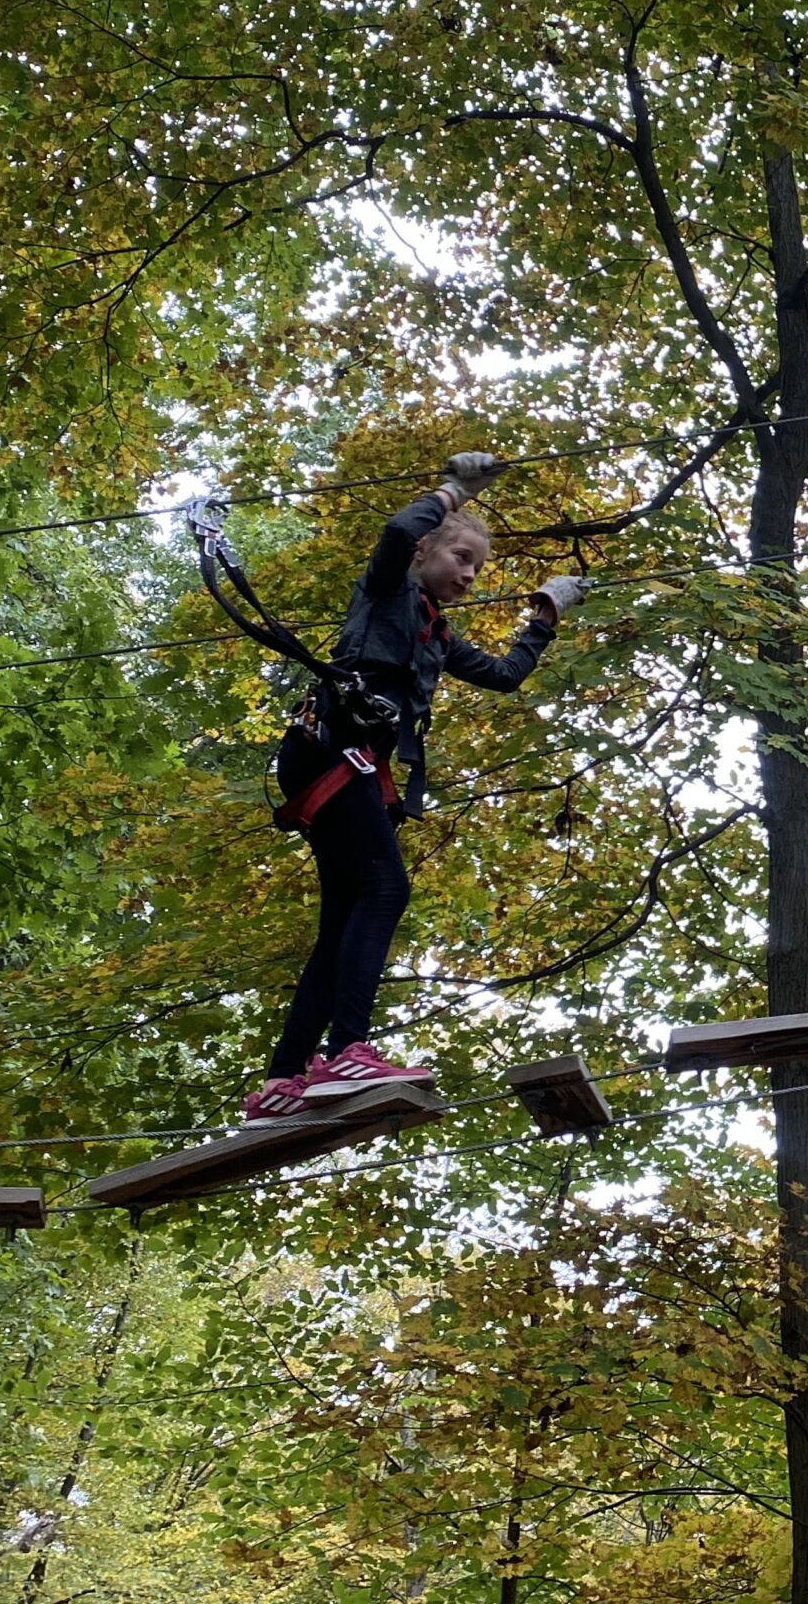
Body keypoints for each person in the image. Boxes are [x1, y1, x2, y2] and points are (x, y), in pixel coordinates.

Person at [242, 450, 585, 1125]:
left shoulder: (437, 634)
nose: (469, 574)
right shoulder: (386, 590)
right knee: (386, 890)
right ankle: (347, 1052)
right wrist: (454, 491)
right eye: (460, 557)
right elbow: (398, 533)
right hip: (333, 750)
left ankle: (284, 1078)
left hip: (347, 761)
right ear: (426, 550)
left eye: (477, 567)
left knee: (344, 918)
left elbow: (504, 676)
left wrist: (545, 615)